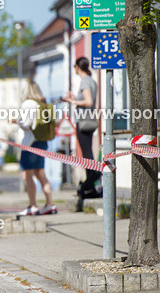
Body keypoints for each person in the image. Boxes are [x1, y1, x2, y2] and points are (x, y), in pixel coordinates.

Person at [12, 81, 57, 216]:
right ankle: (50, 204)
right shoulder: (43, 104)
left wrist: (15, 121)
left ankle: (33, 206)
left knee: (27, 175)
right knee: (40, 173)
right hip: (42, 142)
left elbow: (25, 124)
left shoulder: (28, 104)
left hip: (30, 143)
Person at [63, 56, 100, 212]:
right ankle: (89, 186)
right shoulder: (92, 81)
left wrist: (72, 102)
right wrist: (75, 98)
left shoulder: (85, 81)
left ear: (78, 67)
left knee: (87, 156)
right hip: (90, 121)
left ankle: (89, 183)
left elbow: (88, 101)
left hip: (84, 122)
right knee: (88, 154)